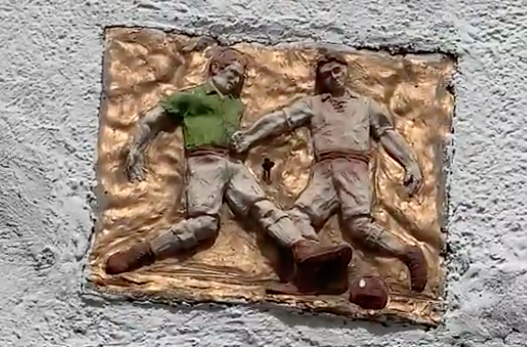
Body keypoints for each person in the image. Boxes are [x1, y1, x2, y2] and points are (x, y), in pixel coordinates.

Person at [105, 48, 351, 278]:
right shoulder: (192, 97)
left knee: (262, 207)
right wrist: (136, 148)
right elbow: (151, 119)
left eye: (240, 77)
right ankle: (143, 251)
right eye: (232, 73)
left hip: (232, 163)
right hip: (204, 163)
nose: (236, 80)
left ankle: (301, 248)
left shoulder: (236, 104)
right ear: (215, 69)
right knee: (204, 224)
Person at [230, 51, 429, 292]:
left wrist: (410, 163)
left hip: (353, 168)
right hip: (324, 170)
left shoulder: (365, 105)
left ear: (345, 70)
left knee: (358, 226)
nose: (333, 77)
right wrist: (250, 137)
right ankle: (315, 267)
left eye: (337, 71)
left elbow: (387, 133)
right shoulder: (314, 104)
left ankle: (408, 253)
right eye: (326, 75)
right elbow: (281, 119)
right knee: (299, 217)